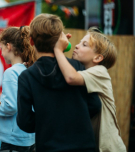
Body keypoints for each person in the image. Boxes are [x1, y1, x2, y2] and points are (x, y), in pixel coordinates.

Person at [16, 14, 101, 152]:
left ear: (31, 41)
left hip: (48, 146)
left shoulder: (26, 77)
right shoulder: (77, 67)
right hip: (83, 145)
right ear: (61, 41)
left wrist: (48, 121)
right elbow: (95, 105)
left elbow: (25, 122)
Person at [54, 27, 126, 152]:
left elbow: (71, 77)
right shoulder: (82, 72)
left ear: (97, 58)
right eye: (79, 42)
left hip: (110, 148)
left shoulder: (100, 72)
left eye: (84, 44)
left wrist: (57, 50)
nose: (76, 45)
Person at [0, 26, 36, 152]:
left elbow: (11, 106)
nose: (1, 52)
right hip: (30, 136)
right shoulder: (31, 70)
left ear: (8, 46)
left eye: (1, 47)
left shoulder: (11, 72)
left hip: (13, 138)